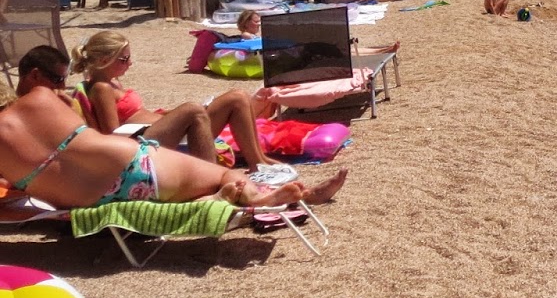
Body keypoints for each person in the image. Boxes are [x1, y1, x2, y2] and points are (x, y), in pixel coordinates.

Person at [1, 64, 341, 210]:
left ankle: (251, 197)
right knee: (225, 174)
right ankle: (276, 198)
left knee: (211, 180)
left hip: (88, 201)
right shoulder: (41, 99)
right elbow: (86, 135)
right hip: (131, 164)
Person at [73, 32, 283, 170]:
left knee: (241, 97)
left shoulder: (112, 83)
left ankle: (259, 161)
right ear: (103, 61)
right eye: (124, 59)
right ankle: (255, 164)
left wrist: (167, 115)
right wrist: (168, 120)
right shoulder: (101, 88)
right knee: (234, 98)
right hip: (146, 142)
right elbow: (113, 134)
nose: (130, 63)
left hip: (159, 129)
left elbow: (134, 113)